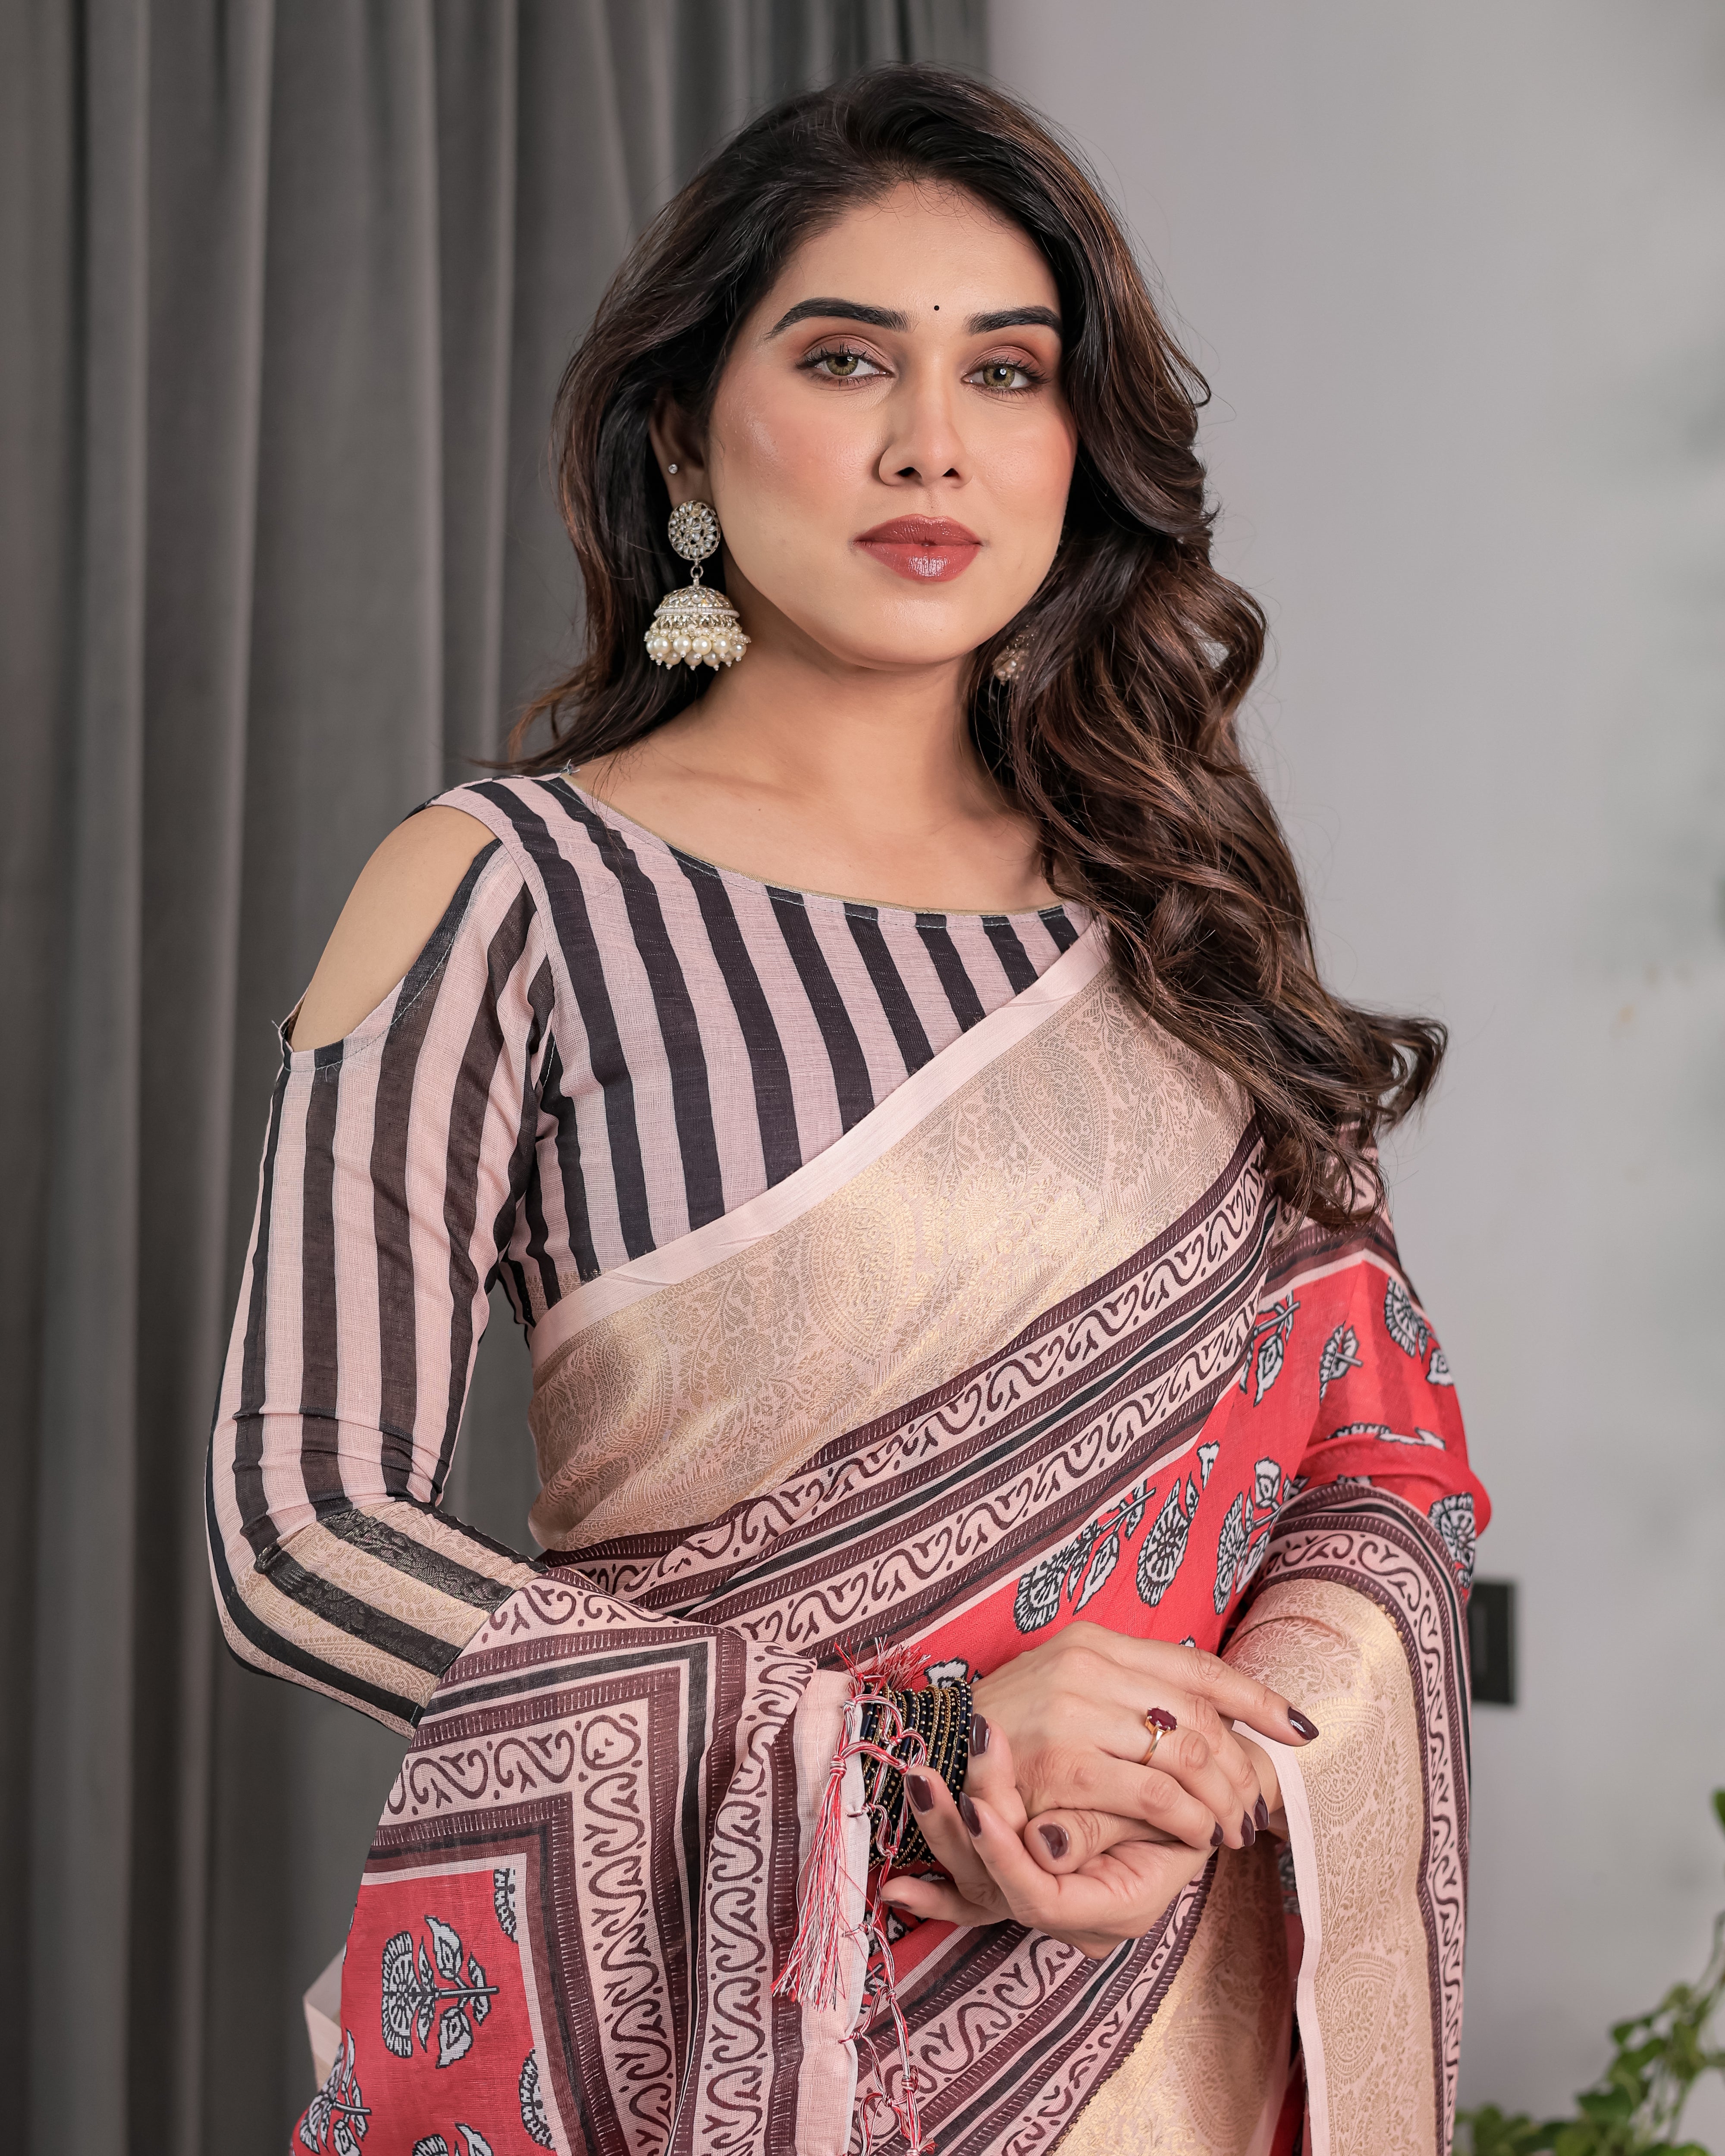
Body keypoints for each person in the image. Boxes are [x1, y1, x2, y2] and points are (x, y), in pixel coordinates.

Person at [208, 65, 1488, 2156]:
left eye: (1007, 371)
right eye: (842, 358)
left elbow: (1380, 1456)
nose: (931, 444)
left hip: (1149, 2014)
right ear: (681, 433)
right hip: (690, 2026)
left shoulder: (1176, 918)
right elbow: (299, 1533)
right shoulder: (506, 891)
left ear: (1079, 443)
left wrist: (1204, 1763)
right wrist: (906, 1742)